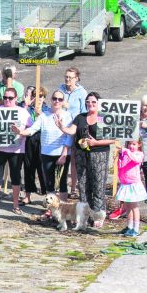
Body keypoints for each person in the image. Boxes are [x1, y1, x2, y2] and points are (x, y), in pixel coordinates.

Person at [56, 92, 116, 228]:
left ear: (99, 103)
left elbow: (113, 139)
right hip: (81, 154)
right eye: (88, 102)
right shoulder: (80, 117)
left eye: (93, 102)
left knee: (98, 184)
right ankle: (84, 214)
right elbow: (72, 131)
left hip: (99, 154)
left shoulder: (104, 117)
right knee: (83, 184)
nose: (90, 104)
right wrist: (62, 127)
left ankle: (98, 215)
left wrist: (96, 143)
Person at [12, 90, 73, 216]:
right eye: (55, 98)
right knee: (49, 183)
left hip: (61, 153)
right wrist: (20, 132)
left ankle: (63, 210)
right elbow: (32, 129)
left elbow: (69, 136)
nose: (57, 101)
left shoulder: (67, 115)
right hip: (46, 153)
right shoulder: (44, 116)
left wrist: (64, 153)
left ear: (63, 102)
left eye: (60, 99)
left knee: (62, 183)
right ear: (51, 100)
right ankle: (52, 210)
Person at [110, 94, 147, 226]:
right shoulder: (134, 115)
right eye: (145, 105)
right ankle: (122, 208)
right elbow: (126, 133)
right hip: (132, 156)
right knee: (126, 182)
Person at [0, 88, 32, 215]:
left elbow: (32, 128)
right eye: (5, 97)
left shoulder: (23, 112)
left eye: (10, 98)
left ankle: (16, 205)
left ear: (16, 99)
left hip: (17, 150)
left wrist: (22, 132)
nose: (7, 100)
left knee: (16, 177)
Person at [56, 67, 88, 199]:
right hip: (60, 127)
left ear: (76, 78)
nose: (67, 79)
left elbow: (83, 112)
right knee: (59, 157)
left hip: (73, 129)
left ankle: (73, 188)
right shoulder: (61, 88)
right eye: (66, 76)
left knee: (74, 160)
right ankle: (58, 185)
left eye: (70, 77)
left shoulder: (82, 92)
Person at [20, 85, 47, 205]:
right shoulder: (27, 108)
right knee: (29, 166)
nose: (38, 98)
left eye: (41, 96)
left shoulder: (47, 109)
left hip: (43, 139)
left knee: (42, 167)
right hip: (30, 138)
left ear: (44, 97)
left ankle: (47, 194)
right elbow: (21, 120)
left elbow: (49, 122)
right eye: (35, 96)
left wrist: (40, 112)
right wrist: (26, 106)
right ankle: (28, 194)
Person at [115, 139, 147, 237]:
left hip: (133, 184)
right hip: (125, 183)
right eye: (129, 144)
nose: (131, 146)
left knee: (134, 207)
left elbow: (136, 160)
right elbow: (121, 166)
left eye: (134, 144)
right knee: (127, 207)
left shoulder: (139, 154)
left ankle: (136, 228)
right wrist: (120, 156)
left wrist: (127, 152)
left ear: (139, 145)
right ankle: (129, 226)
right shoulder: (125, 154)